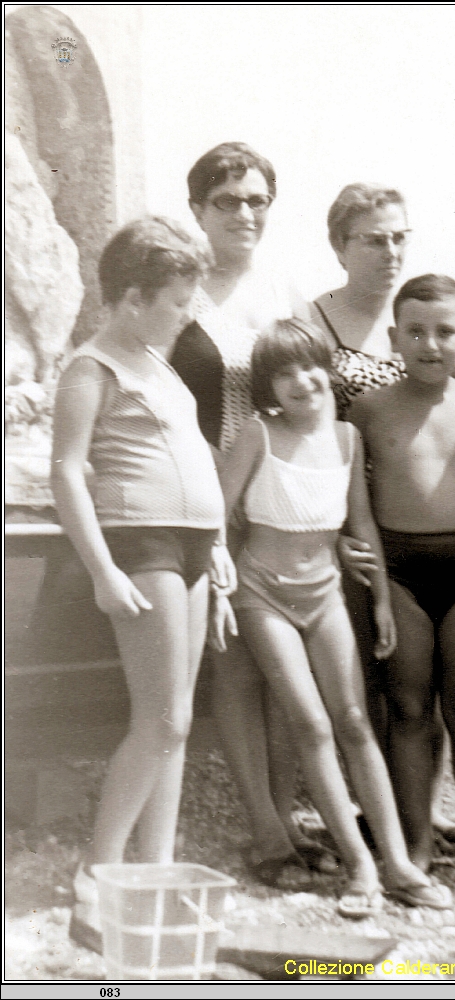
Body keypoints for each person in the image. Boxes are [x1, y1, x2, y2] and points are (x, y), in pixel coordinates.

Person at [213, 318, 452, 917]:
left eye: (309, 366)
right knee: (312, 725)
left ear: (329, 369)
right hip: (262, 594)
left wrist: (377, 600)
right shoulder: (257, 433)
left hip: (325, 592)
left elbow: (361, 523)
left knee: (352, 720)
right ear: (268, 387)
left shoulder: (347, 438)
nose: (301, 381)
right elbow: (218, 514)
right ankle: (361, 866)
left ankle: (396, 863)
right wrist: (219, 579)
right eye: (283, 373)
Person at [51, 218, 228, 940]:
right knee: (160, 717)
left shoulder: (162, 366)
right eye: (177, 301)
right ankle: (95, 877)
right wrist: (100, 569)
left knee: (176, 722)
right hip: (140, 544)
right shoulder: (93, 367)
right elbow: (67, 471)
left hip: (189, 547)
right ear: (130, 298)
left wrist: (215, 545)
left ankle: (155, 872)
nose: (187, 314)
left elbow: (189, 456)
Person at [170, 142, 332, 887]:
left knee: (282, 666)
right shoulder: (178, 289)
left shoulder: (284, 292)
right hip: (201, 495)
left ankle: (291, 815)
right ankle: (266, 832)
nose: (245, 213)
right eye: (228, 200)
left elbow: (319, 392)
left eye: (257, 199)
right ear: (198, 207)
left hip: (274, 501)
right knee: (235, 666)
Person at [311, 184, 455, 846]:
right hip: (347, 524)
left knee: (431, 683)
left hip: (419, 524)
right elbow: (306, 433)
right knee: (372, 682)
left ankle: (423, 813)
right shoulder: (314, 324)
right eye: (374, 238)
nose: (391, 250)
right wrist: (331, 535)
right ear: (340, 244)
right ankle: (380, 814)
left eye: (400, 237)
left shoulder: (419, 317)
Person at [351, 274, 455, 877]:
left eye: (445, 331)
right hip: (399, 572)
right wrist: (372, 588)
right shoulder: (367, 411)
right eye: (415, 331)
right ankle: (416, 844)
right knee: (409, 708)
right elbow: (354, 502)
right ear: (393, 337)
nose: (430, 343)